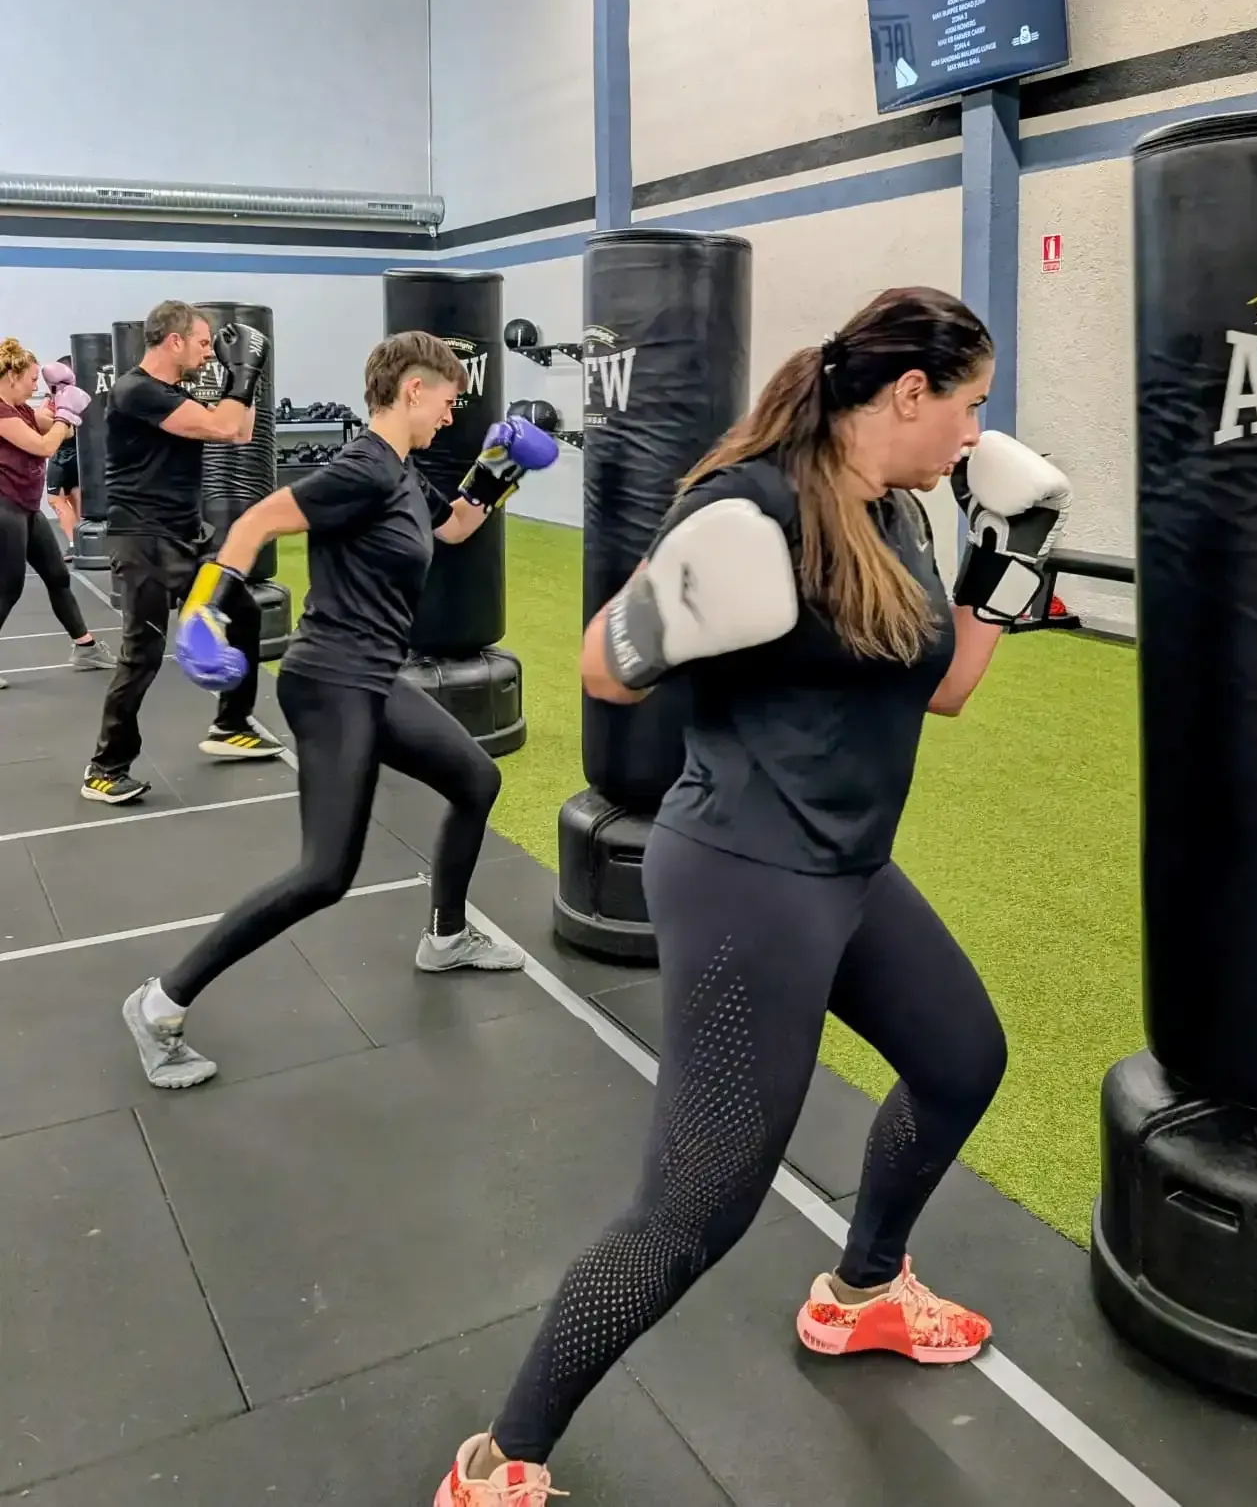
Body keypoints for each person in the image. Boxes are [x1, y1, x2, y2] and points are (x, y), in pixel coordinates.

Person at [434, 286, 1073, 1507]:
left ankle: (862, 1290)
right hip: (741, 875)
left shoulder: (905, 512)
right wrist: (681, 617)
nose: (974, 432)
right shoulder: (754, 506)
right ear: (905, 392)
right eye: (969, 404)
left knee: (960, 1059)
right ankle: (495, 1461)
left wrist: (1017, 550)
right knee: (693, 1211)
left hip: (845, 862)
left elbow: (942, 691)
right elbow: (599, 669)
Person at [121, 329, 560, 1092]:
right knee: (325, 873)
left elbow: (453, 527)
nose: (453, 415)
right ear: (413, 389)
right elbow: (256, 521)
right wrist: (201, 612)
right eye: (449, 400)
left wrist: (497, 473)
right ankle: (159, 1002)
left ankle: (446, 937)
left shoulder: (401, 470)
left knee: (476, 780)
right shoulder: (360, 467)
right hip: (330, 682)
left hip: (375, 677)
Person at [83, 300, 282, 804]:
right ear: (174, 341)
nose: (206, 350)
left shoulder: (178, 393)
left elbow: (237, 431)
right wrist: (242, 376)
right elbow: (220, 426)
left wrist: (249, 378)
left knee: (243, 612)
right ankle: (105, 768)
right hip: (144, 542)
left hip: (185, 538)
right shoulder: (135, 391)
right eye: (200, 341)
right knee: (142, 656)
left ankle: (231, 724)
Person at [0, 341, 112, 687]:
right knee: (8, 587)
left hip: (27, 506)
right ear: (13, 376)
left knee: (57, 576)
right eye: (32, 379)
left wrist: (60, 395)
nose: (36, 386)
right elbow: (46, 445)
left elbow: (60, 427)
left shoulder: (19, 408)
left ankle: (86, 647)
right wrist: (65, 414)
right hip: (4, 506)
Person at [43, 354, 83, 554]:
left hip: (63, 453)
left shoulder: (60, 396)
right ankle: (84, 543)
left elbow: (46, 422)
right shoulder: (77, 394)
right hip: (80, 453)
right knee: (75, 495)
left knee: (55, 499)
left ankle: (76, 544)